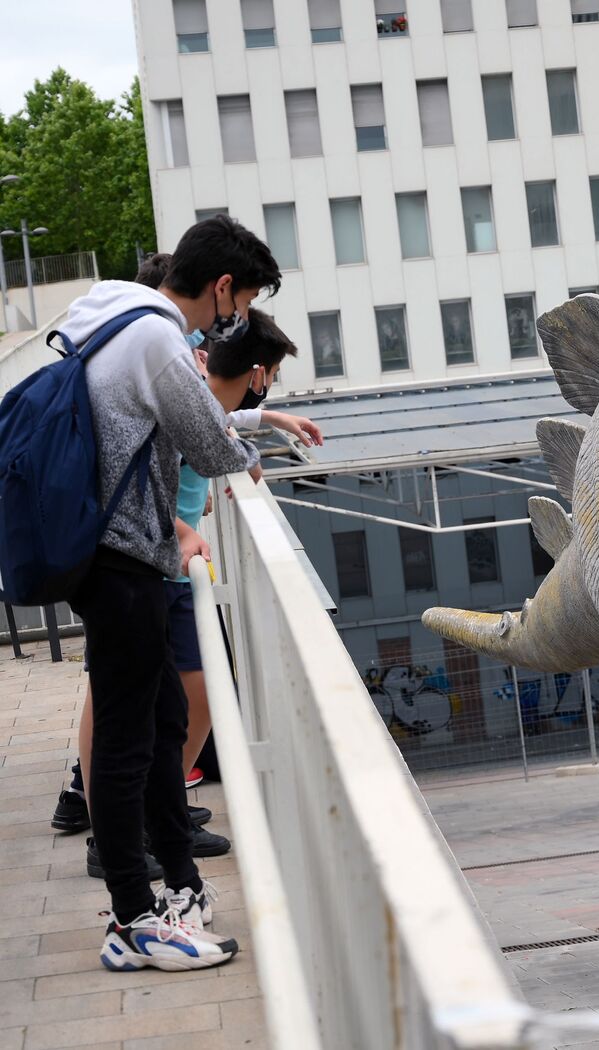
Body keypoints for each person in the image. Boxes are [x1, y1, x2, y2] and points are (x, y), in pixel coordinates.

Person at [61, 215, 279, 971]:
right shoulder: (156, 338)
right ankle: (131, 921)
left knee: (161, 723)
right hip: (123, 558)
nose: (236, 321)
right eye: (242, 303)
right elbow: (207, 441)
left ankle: (170, 892)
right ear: (221, 287)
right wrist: (249, 448)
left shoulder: (111, 313)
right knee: (128, 744)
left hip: (115, 552)